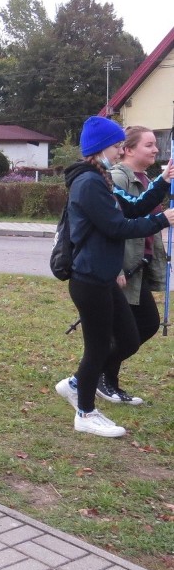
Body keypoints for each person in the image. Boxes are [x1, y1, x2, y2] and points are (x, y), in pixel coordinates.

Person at [54, 117, 174, 438]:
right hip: (89, 280)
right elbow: (117, 227)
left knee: (130, 337)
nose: (121, 149)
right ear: (100, 148)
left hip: (103, 278)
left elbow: (132, 209)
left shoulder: (101, 178)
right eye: (117, 144)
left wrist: (162, 182)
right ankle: (86, 412)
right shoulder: (88, 183)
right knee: (96, 348)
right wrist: (162, 219)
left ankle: (77, 383)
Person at [102, 125, 169, 404]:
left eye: (156, 144)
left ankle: (105, 379)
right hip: (124, 268)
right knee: (138, 327)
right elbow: (111, 226)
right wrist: (115, 269)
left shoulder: (145, 177)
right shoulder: (117, 178)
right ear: (128, 149)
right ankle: (95, 377)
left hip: (138, 267)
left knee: (140, 326)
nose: (156, 149)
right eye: (149, 144)